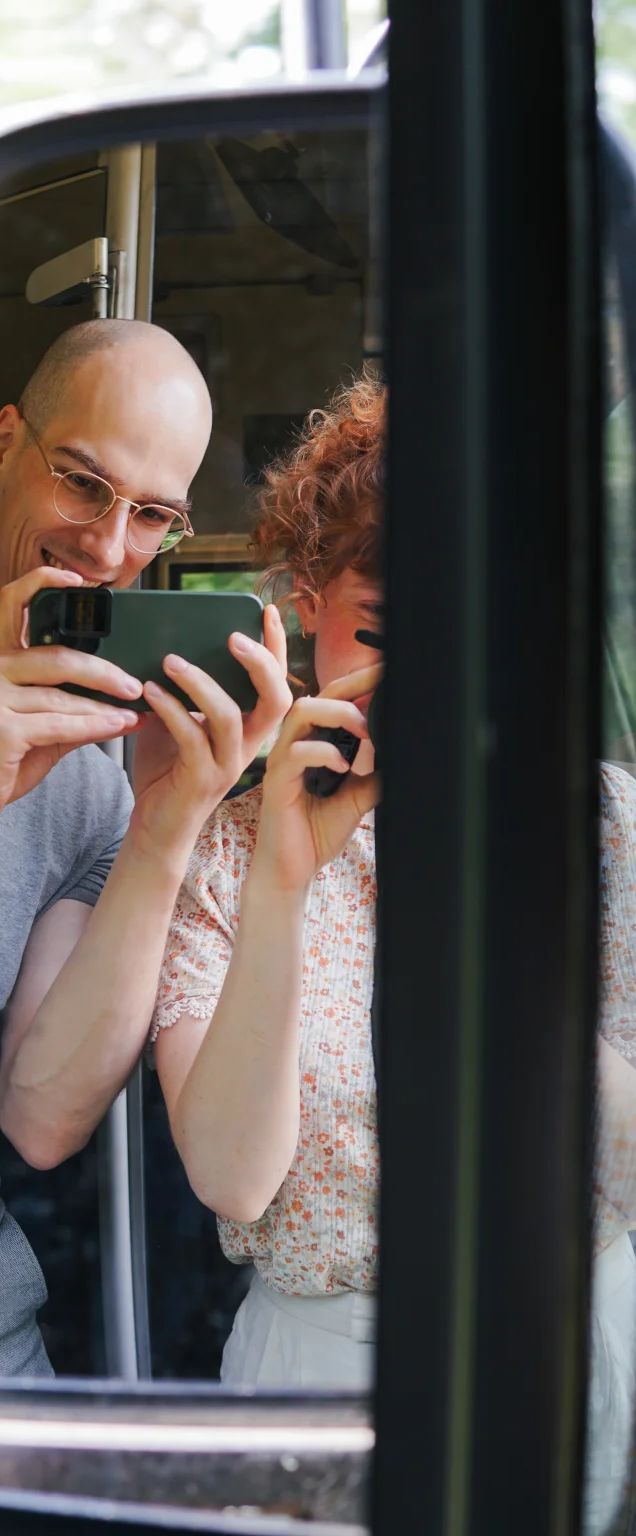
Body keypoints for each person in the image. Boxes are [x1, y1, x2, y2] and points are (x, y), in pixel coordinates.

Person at [150, 367, 636, 1532]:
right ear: (304, 600)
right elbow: (230, 1176)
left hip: (580, 1334)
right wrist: (280, 878)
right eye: (383, 629)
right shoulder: (224, 844)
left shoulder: (603, 826)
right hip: (318, 1360)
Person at [0, 317, 292, 1378]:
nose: (105, 548)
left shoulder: (98, 769)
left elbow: (45, 1119)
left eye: (151, 518)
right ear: (3, 444)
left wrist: (167, 822)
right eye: (83, 486)